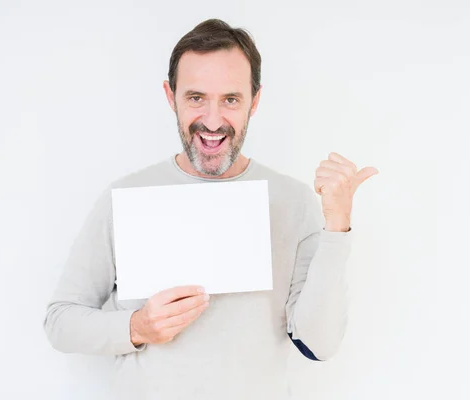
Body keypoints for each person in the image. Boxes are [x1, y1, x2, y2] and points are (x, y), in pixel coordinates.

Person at [43, 18, 378, 399]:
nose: (214, 121)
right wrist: (137, 327)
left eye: (231, 99)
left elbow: (319, 344)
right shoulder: (126, 196)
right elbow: (61, 321)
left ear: (255, 100)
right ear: (171, 97)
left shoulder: (293, 200)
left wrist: (337, 226)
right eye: (196, 97)